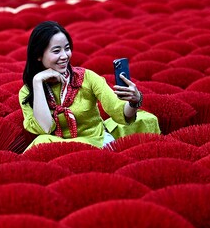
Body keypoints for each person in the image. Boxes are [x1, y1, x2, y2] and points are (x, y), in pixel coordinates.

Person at [19, 20, 160, 150]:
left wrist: (135, 101)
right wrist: (37, 82)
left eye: (67, 48)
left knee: (148, 120)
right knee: (42, 141)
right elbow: (45, 128)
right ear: (38, 55)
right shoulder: (27, 92)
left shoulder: (86, 77)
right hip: (61, 147)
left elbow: (117, 110)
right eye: (56, 51)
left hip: (96, 141)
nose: (64, 56)